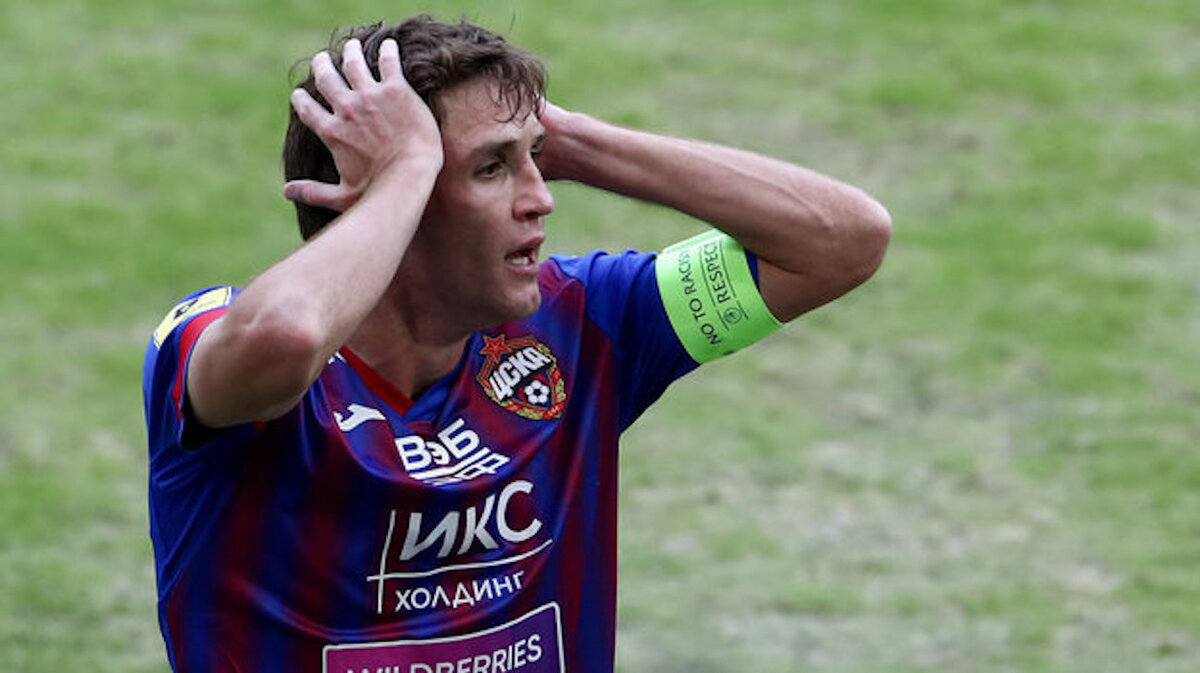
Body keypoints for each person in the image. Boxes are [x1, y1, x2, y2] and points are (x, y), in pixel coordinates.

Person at [142, 14, 891, 673]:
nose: (541, 198)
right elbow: (287, 335)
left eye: (535, 158)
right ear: (382, 195)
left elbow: (843, 241)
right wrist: (405, 172)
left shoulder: (583, 322)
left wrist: (568, 138)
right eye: (493, 168)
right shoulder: (216, 339)